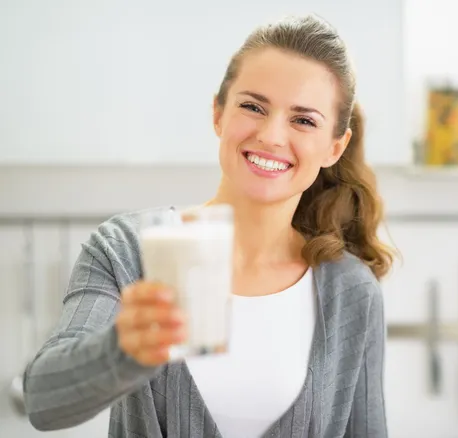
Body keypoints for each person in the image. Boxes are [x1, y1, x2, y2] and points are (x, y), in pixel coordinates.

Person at [22, 14, 396, 438]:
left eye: (303, 120)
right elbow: (42, 404)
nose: (272, 136)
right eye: (253, 106)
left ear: (335, 146)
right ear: (218, 114)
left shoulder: (350, 290)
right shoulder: (127, 251)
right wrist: (122, 350)